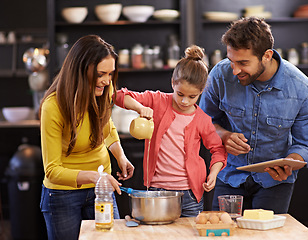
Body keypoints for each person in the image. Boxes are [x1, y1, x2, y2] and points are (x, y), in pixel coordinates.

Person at [199, 17, 308, 214]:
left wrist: (290, 162)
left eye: (243, 63)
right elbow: (203, 122)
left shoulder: (302, 89)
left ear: (267, 55)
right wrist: (223, 135)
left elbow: (305, 146)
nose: (235, 70)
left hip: (274, 183)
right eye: (231, 61)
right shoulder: (220, 75)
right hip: (230, 175)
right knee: (222, 233)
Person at [39, 35, 135, 240]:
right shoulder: (53, 107)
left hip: (101, 189)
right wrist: (96, 177)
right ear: (81, 71)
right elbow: (52, 170)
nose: (108, 81)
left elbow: (107, 128)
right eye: (102, 74)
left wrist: (120, 156)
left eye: (110, 74)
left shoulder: (101, 93)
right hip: (63, 194)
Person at [113, 45, 227, 217]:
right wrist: (139, 108)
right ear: (173, 83)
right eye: (180, 94)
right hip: (157, 192)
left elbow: (218, 150)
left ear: (201, 91)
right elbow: (120, 96)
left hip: (190, 195)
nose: (185, 101)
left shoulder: (202, 119)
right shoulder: (157, 100)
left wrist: (213, 173)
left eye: (192, 96)